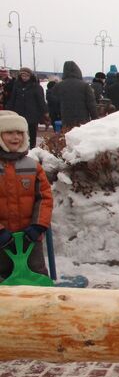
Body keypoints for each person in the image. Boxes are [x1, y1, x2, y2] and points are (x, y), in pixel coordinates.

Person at [0, 111, 53, 279]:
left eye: (19, 133)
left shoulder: (32, 166)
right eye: (9, 133)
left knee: (34, 274)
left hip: (29, 237)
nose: (15, 137)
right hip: (2, 237)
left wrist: (38, 226)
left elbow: (44, 197)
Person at [5, 68, 48, 150]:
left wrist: (45, 112)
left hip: (32, 113)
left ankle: (32, 148)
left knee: (32, 132)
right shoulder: (17, 86)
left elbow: (41, 101)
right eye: (22, 75)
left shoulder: (36, 87)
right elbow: (13, 99)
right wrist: (8, 109)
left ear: (30, 76)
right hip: (19, 113)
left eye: (26, 75)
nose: (24, 77)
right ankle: (21, 148)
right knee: (20, 132)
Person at [51, 61, 99, 132]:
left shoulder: (58, 86)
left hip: (66, 119)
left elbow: (54, 103)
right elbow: (91, 104)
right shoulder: (85, 86)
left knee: (68, 139)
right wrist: (95, 119)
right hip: (82, 120)